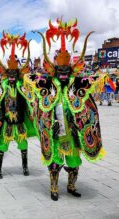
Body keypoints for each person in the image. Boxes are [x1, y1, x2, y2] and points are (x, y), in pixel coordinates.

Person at [20, 18, 105, 201]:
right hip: (56, 132)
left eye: (67, 70)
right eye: (60, 69)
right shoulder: (48, 84)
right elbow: (29, 79)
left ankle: (71, 185)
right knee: (55, 163)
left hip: (73, 134)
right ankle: (54, 188)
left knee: (74, 163)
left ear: (73, 69)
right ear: (54, 68)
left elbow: (91, 94)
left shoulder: (78, 84)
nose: (64, 73)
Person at [0, 32, 36, 178]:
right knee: (2, 146)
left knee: (23, 145)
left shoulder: (21, 86)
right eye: (9, 73)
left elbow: (29, 101)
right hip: (6, 121)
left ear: (17, 73)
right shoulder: (3, 86)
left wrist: (31, 112)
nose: (11, 76)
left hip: (20, 121)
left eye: (14, 73)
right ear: (6, 74)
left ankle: (25, 167)